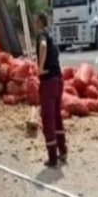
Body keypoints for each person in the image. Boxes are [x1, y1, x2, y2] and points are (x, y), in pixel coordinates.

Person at [35, 12, 67, 167]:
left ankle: (52, 157)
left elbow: (42, 47)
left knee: (48, 119)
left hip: (48, 81)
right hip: (58, 80)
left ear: (40, 23)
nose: (35, 24)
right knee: (57, 116)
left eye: (36, 21)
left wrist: (40, 69)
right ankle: (63, 150)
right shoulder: (52, 35)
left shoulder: (42, 36)